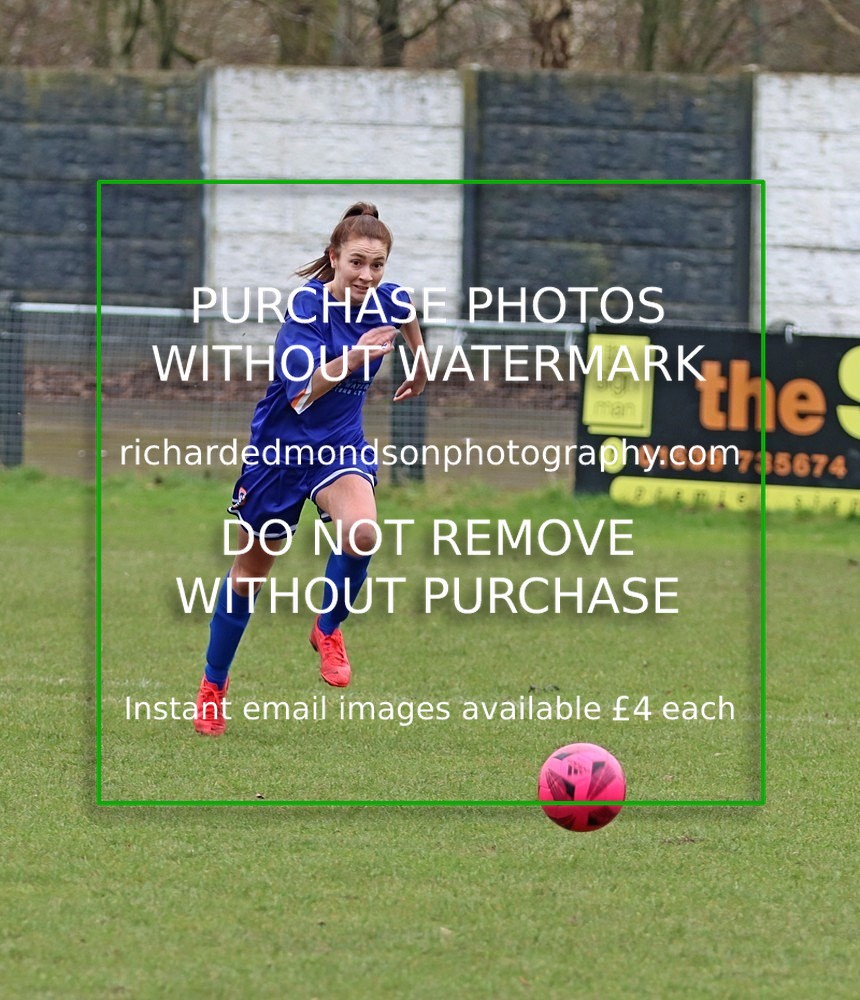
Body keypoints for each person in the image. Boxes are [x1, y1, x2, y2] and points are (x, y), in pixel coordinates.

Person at [194, 202, 427, 736]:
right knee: (249, 576)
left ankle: (327, 628)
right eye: (357, 263)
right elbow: (302, 390)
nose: (368, 275)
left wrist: (420, 362)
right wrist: (356, 356)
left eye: (378, 265)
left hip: (339, 448)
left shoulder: (385, 297)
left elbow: (407, 313)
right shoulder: (306, 309)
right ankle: (213, 686)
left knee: (363, 534)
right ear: (334, 257)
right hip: (280, 453)